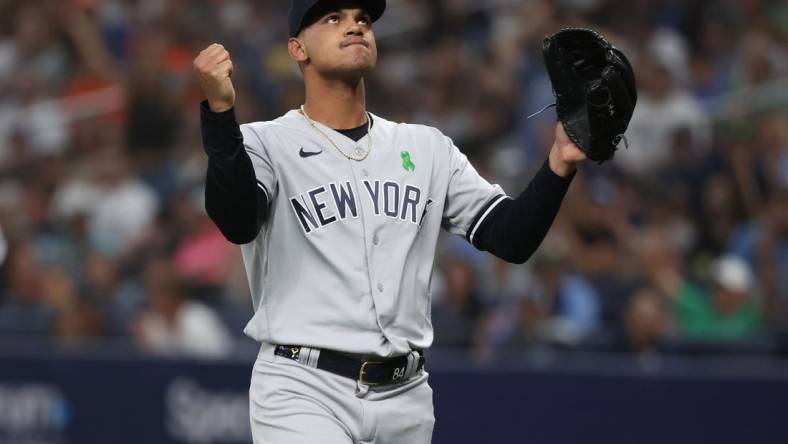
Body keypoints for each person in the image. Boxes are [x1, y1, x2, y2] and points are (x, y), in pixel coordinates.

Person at [193, 0, 586, 442]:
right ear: (297, 48)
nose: (355, 26)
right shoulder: (266, 143)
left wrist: (559, 163)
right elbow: (237, 222)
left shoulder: (425, 148)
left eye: (363, 19)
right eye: (333, 18)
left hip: (407, 396)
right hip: (304, 387)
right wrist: (221, 116)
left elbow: (511, 238)